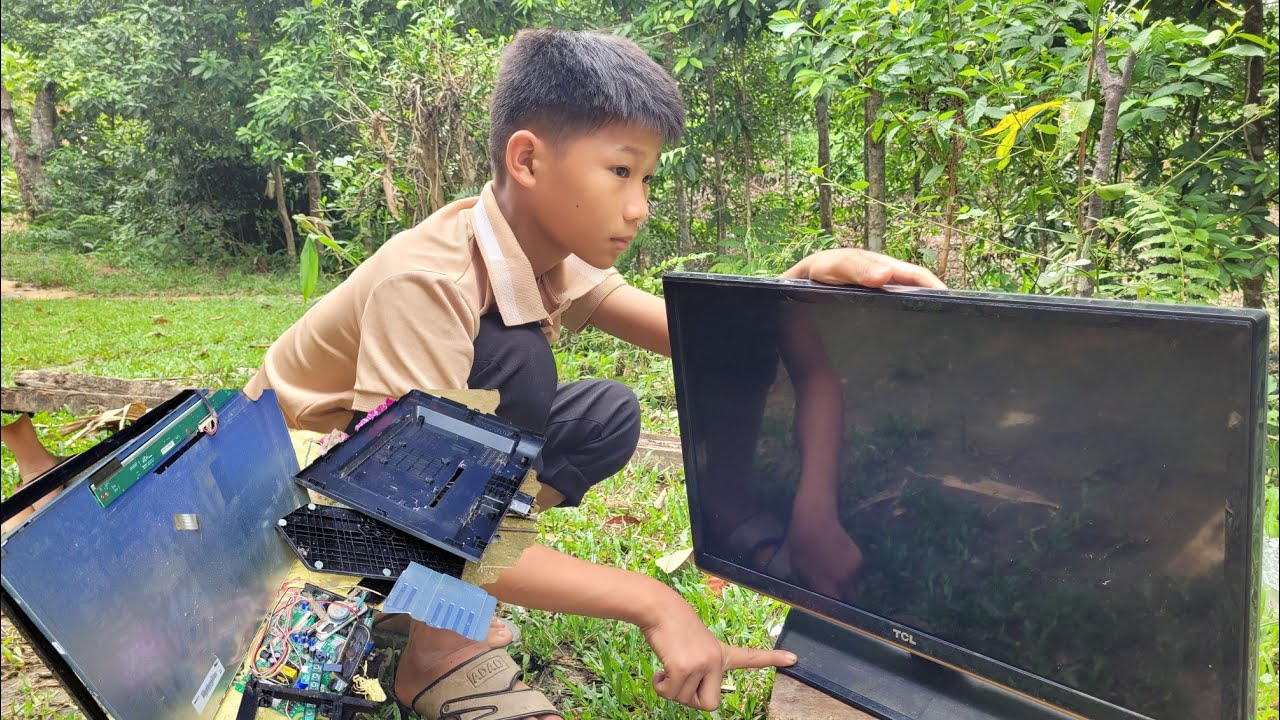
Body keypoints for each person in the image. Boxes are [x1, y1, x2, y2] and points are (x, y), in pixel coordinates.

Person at [244, 28, 944, 720]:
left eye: (647, 178)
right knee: (515, 364)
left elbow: (708, 340)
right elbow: (424, 515)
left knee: (602, 417)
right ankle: (440, 653)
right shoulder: (427, 284)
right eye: (619, 171)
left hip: (370, 494)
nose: (639, 205)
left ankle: (423, 592)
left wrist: (805, 279)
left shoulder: (538, 252)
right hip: (280, 512)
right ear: (527, 158)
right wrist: (654, 601)